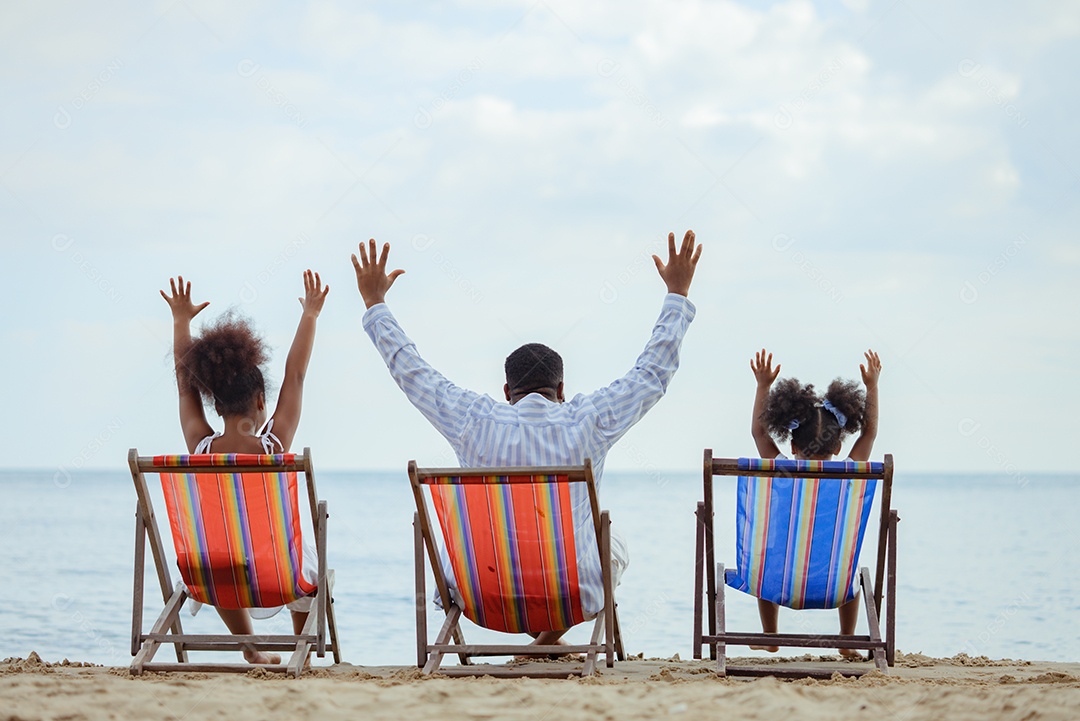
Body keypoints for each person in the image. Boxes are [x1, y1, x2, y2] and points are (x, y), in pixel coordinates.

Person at [352, 232, 702, 650]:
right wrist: (677, 295)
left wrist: (375, 304)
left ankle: (542, 643)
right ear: (561, 389)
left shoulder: (472, 420)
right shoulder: (588, 419)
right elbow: (651, 374)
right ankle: (549, 638)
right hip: (571, 594)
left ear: (506, 391)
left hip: (483, 593)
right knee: (614, 539)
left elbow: (412, 372)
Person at [159, 270, 329, 665]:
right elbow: (296, 376)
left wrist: (180, 321)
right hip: (279, 575)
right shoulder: (273, 447)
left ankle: (251, 646)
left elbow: (186, 386)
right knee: (301, 554)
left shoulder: (200, 448)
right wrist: (311, 315)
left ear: (215, 404)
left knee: (222, 553)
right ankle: (299, 650)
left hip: (213, 576)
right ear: (261, 402)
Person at [747, 347, 882, 657]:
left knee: (766, 555)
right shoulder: (849, 474)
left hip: (780, 582)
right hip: (835, 584)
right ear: (837, 445)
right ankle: (846, 640)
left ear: (791, 442)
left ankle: (770, 635)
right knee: (849, 563)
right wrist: (872, 386)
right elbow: (870, 433)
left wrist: (763, 386)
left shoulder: (780, 470)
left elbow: (758, 431)